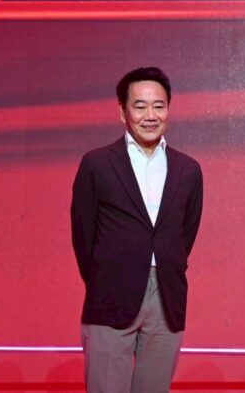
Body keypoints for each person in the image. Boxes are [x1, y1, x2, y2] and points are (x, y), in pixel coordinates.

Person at [70, 67, 203, 393]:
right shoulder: (97, 164)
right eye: (140, 106)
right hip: (110, 292)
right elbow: (83, 235)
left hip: (166, 296)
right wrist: (103, 277)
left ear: (168, 109)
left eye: (159, 106)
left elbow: (185, 234)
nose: (150, 115)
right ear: (122, 112)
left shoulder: (188, 170)